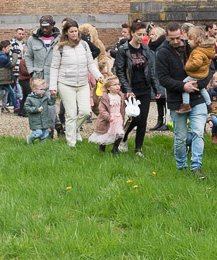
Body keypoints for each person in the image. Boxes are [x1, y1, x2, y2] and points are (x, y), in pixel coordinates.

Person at [156, 23, 209, 178]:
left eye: (179, 38)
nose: (176, 41)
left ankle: (196, 167)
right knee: (180, 138)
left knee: (199, 132)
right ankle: (181, 166)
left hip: (197, 97)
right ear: (167, 36)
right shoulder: (162, 53)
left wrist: (198, 84)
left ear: (183, 35)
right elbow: (163, 79)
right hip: (176, 100)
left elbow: (208, 70)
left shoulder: (193, 47)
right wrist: (183, 86)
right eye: (172, 39)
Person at [48, 19, 99, 148]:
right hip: (66, 83)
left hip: (82, 83)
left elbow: (90, 64)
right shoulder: (59, 48)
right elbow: (54, 67)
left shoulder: (84, 45)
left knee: (85, 111)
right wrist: (53, 86)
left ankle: (73, 129)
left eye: (76, 31)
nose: (74, 34)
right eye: (71, 32)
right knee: (71, 113)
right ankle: (71, 144)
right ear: (66, 33)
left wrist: (99, 76)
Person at [113, 21, 159, 157]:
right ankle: (122, 139)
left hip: (144, 88)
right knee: (135, 118)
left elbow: (151, 70)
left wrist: (156, 88)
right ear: (132, 33)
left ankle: (138, 149)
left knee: (143, 120)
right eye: (139, 34)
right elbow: (120, 71)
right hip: (131, 88)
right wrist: (127, 89)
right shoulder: (124, 50)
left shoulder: (145, 49)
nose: (141, 37)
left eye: (144, 34)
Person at [25, 15, 62, 129]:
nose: (44, 29)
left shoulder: (60, 39)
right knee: (46, 102)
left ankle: (55, 124)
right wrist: (31, 72)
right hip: (39, 76)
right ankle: (52, 128)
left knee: (51, 102)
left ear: (53, 25)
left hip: (55, 75)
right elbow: (28, 56)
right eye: (42, 27)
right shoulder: (33, 39)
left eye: (47, 27)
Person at [89, 73, 128, 153]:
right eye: (115, 84)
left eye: (118, 84)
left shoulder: (121, 96)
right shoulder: (105, 98)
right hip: (108, 120)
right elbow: (102, 110)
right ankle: (102, 148)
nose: (118, 86)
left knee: (120, 134)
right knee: (106, 135)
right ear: (108, 88)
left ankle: (115, 149)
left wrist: (130, 95)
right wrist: (108, 117)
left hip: (118, 119)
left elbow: (126, 98)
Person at [23, 77, 55, 143]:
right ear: (34, 89)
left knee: (45, 134)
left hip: (44, 121)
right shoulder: (30, 98)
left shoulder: (45, 98)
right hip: (35, 121)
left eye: (44, 89)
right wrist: (36, 109)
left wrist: (53, 95)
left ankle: (42, 146)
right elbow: (26, 108)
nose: (44, 91)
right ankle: (30, 138)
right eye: (42, 89)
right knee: (38, 133)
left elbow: (51, 103)